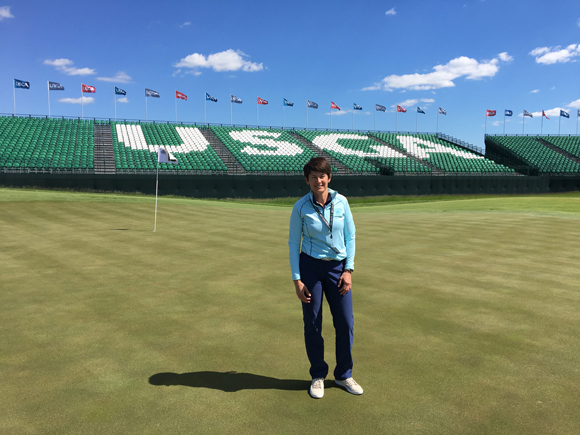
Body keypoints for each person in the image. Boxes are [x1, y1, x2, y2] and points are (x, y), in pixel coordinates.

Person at [288, 156, 363, 399]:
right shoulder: (301, 207)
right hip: (310, 267)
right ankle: (318, 375)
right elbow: (293, 243)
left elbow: (350, 236)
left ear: (329, 178)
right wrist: (297, 279)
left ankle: (343, 374)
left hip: (338, 268)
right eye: (313, 177)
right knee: (312, 322)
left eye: (322, 176)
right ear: (307, 180)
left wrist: (348, 270)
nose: (318, 180)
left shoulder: (342, 202)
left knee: (345, 321)